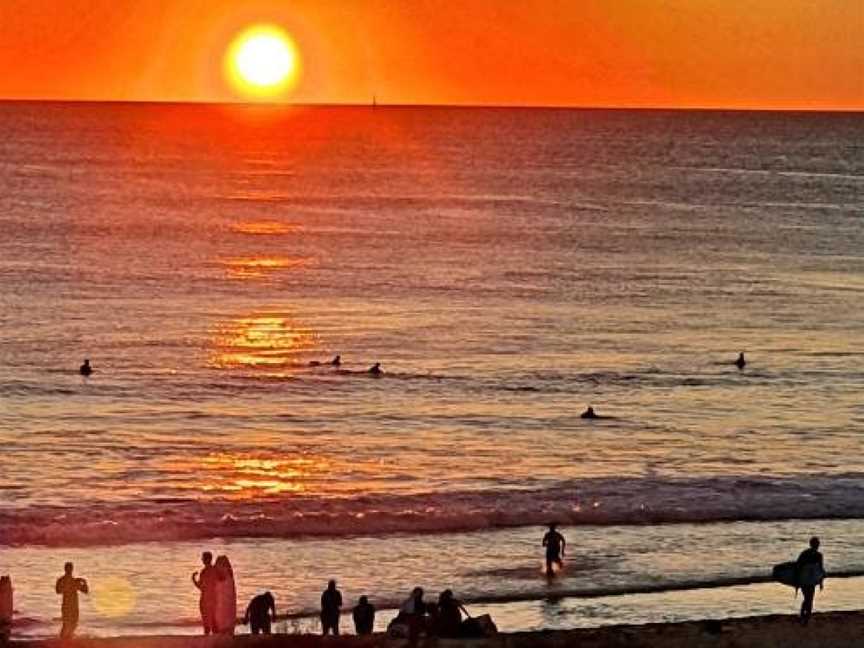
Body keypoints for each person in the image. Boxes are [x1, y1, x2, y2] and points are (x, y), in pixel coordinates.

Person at [796, 536, 825, 625]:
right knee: (808, 598)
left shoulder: (811, 554)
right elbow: (798, 567)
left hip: (808, 580)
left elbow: (820, 569)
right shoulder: (810, 554)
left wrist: (821, 582)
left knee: (809, 598)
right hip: (806, 580)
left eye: (818, 543)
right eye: (817, 543)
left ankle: (805, 616)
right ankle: (804, 615)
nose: (818, 545)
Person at [55, 562, 88, 639]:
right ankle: (62, 639)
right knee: (66, 624)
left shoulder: (75, 581)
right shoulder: (63, 580)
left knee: (74, 624)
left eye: (70, 568)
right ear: (65, 569)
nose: (69, 570)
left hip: (74, 606)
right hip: (67, 605)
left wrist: (84, 582)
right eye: (68, 568)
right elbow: (58, 591)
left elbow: (85, 591)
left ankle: (68, 639)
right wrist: (68, 586)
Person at [191, 552, 218, 635]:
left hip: (205, 599)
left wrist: (193, 579)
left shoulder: (204, 571)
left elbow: (201, 587)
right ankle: (215, 640)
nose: (202, 560)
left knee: (206, 621)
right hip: (214, 599)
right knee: (213, 621)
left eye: (202, 558)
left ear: (206, 560)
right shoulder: (216, 570)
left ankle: (207, 639)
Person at [213, 555, 236, 635]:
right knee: (227, 617)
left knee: (222, 618)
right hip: (227, 601)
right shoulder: (229, 573)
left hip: (223, 601)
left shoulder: (222, 572)